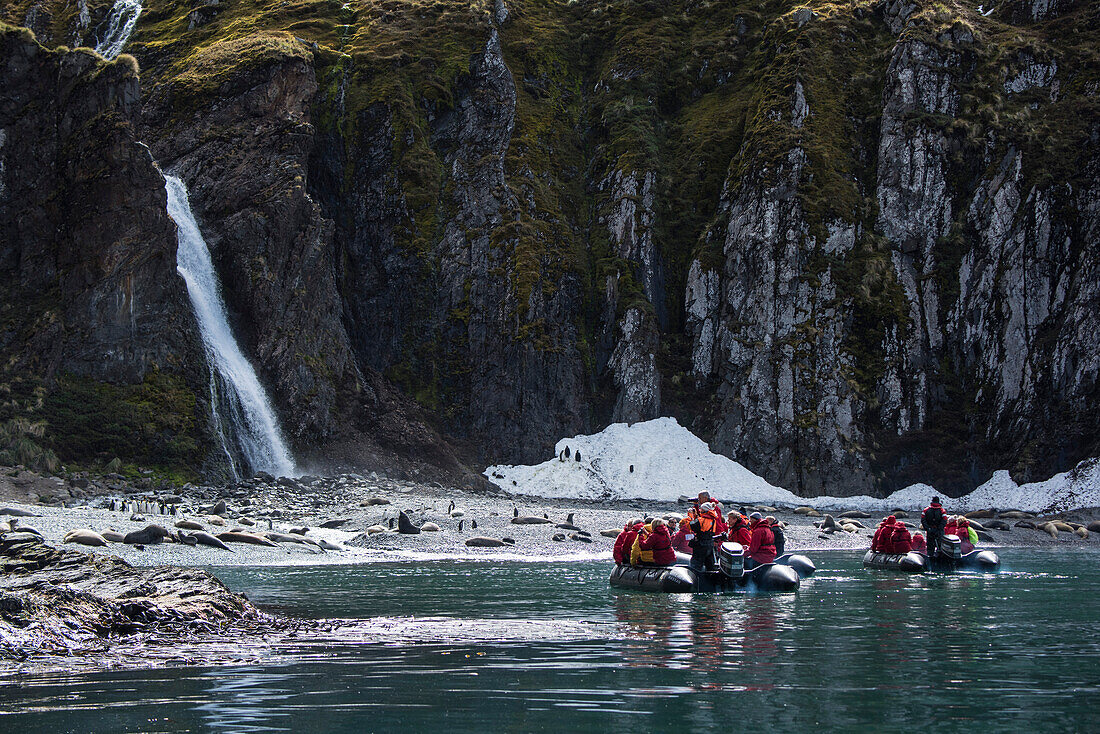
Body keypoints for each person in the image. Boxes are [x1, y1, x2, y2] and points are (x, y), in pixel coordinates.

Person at [689, 502, 720, 572]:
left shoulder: (701, 520)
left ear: (704, 510)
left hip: (700, 545)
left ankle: (695, 579)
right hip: (709, 544)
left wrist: (691, 516)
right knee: (709, 565)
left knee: (695, 565)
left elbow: (691, 526)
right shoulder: (714, 520)